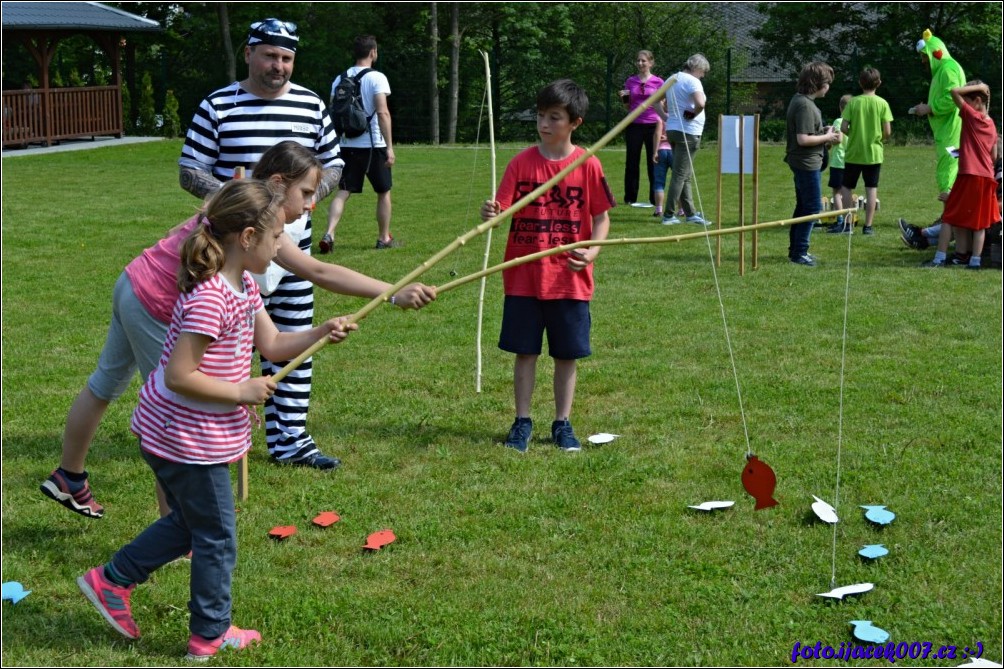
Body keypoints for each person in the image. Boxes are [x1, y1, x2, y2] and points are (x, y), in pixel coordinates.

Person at [40, 141, 435, 520]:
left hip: (133, 280)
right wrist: (392, 293)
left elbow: (275, 338)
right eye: (306, 192)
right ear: (278, 185)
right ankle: (177, 531)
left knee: (105, 384)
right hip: (156, 303)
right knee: (176, 419)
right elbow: (318, 271)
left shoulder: (244, 212)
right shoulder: (253, 228)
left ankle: (70, 475)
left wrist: (370, 305)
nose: (312, 203)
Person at [76, 179, 356, 659]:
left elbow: (271, 345)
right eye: (275, 239)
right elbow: (179, 374)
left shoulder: (243, 285)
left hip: (183, 434)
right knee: (217, 535)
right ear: (246, 238)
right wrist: (239, 391)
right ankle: (209, 634)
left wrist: (319, 332)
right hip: (185, 438)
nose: (279, 248)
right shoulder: (211, 297)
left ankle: (111, 580)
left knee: (191, 523)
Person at [178, 18, 348, 469]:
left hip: (293, 244)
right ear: (250, 53)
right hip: (231, 248)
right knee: (226, 344)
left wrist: (307, 199)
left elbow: (333, 166)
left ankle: (290, 440)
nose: (279, 66)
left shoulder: (311, 104)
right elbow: (189, 169)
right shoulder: (218, 104)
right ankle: (215, 435)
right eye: (270, 55)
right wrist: (237, 200)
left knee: (292, 337)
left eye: (287, 58)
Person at [479, 79, 614, 453]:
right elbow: (501, 210)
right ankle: (521, 421)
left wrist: (592, 252)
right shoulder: (521, 163)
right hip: (524, 276)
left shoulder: (588, 163)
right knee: (525, 352)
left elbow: (602, 218)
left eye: (554, 117)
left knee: (566, 354)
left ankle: (562, 422)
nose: (544, 124)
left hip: (569, 279)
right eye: (541, 116)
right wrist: (491, 212)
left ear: (575, 122)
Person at [321, 35, 396, 251]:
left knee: (343, 191)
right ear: (373, 52)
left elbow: (334, 111)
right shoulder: (377, 77)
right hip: (373, 145)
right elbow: (382, 112)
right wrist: (389, 147)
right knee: (383, 192)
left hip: (347, 143)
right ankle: (383, 238)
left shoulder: (339, 78)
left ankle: (329, 233)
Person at [922, 81, 998, 269]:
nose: (963, 104)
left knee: (949, 216)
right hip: (986, 176)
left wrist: (978, 87)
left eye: (967, 100)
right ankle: (974, 261)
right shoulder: (991, 124)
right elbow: (993, 155)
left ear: (978, 100)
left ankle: (938, 259)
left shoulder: (972, 116)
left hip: (969, 175)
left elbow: (953, 91)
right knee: (980, 223)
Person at [783, 61, 842, 266]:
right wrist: (827, 138)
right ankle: (800, 252)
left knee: (803, 206)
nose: (828, 87)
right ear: (818, 84)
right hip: (806, 163)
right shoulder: (805, 105)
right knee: (812, 207)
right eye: (827, 82)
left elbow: (808, 133)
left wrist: (823, 132)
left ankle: (796, 250)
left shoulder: (801, 101)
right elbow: (803, 139)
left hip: (805, 161)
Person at [836, 67, 893, 236]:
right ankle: (868, 226)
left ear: (860, 83)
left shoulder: (853, 102)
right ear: (879, 83)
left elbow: (844, 127)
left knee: (846, 187)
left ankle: (849, 223)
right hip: (874, 153)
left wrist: (853, 134)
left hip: (854, 152)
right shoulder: (882, 103)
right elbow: (888, 131)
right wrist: (879, 139)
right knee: (871, 188)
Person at [912, 29, 966, 204]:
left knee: (947, 168)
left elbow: (952, 98)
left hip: (951, 132)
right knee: (952, 167)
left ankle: (948, 217)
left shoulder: (948, 69)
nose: (922, 61)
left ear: (934, 53)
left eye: (924, 56)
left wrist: (929, 108)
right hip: (948, 131)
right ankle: (950, 215)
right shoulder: (944, 69)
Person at [661, 54, 711, 226]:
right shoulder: (693, 81)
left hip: (673, 130)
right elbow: (701, 103)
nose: (703, 75)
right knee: (680, 174)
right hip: (688, 132)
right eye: (703, 71)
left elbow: (654, 102)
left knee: (685, 174)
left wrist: (667, 118)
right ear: (697, 67)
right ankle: (668, 215)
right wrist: (692, 114)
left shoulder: (672, 78)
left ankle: (690, 213)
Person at [620, 50, 664, 209]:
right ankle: (630, 198)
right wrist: (624, 98)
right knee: (632, 162)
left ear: (651, 63)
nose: (640, 63)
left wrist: (663, 126)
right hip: (634, 124)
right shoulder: (630, 81)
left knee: (654, 161)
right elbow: (627, 106)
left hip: (653, 125)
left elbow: (662, 105)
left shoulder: (659, 82)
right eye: (638, 61)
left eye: (643, 61)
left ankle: (654, 199)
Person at [823, 94, 851, 233]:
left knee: (836, 193)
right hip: (850, 161)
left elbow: (838, 139)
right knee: (847, 192)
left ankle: (841, 221)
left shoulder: (838, 121)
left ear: (840, 108)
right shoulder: (854, 121)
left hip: (838, 162)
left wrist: (827, 139)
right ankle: (848, 219)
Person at [652, 113, 674, 221]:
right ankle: (681, 210)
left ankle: (659, 210)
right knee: (678, 181)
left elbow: (657, 134)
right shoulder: (677, 117)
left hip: (661, 150)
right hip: (675, 151)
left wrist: (655, 151)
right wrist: (668, 138)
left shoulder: (660, 117)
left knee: (659, 182)